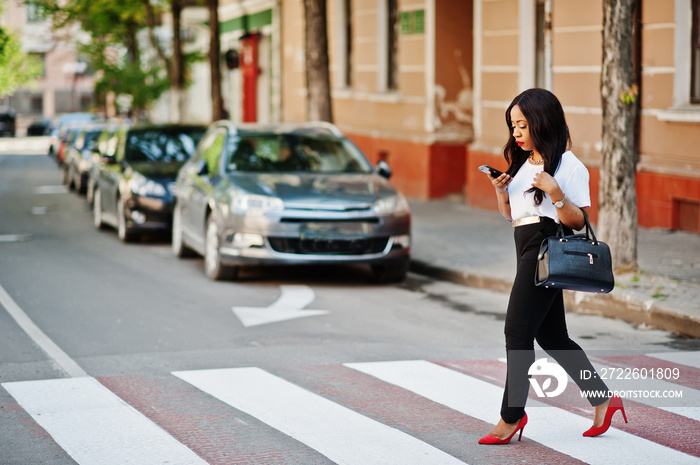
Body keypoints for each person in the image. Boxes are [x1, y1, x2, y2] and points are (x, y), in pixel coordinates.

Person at [478, 88, 627, 445]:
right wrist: (502, 191)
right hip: (524, 244)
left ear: (542, 123)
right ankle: (602, 398)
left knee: (517, 333)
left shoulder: (569, 166)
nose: (515, 132)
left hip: (546, 247)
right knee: (552, 336)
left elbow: (577, 222)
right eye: (512, 125)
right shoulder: (521, 161)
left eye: (522, 125)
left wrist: (556, 191)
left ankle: (511, 416)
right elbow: (514, 216)